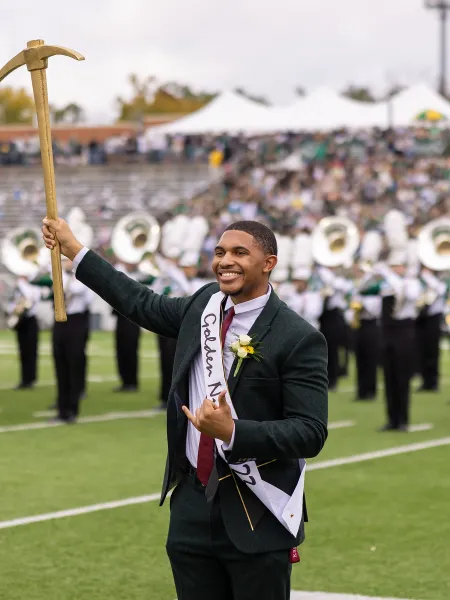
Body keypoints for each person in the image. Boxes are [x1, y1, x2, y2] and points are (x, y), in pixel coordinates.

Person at [42, 216, 328, 600]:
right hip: (192, 502)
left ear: (268, 262)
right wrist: (74, 250)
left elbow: (310, 432)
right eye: (220, 252)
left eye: (240, 252)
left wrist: (232, 432)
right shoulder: (203, 305)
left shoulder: (299, 337)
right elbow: (140, 302)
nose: (226, 260)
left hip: (257, 507)